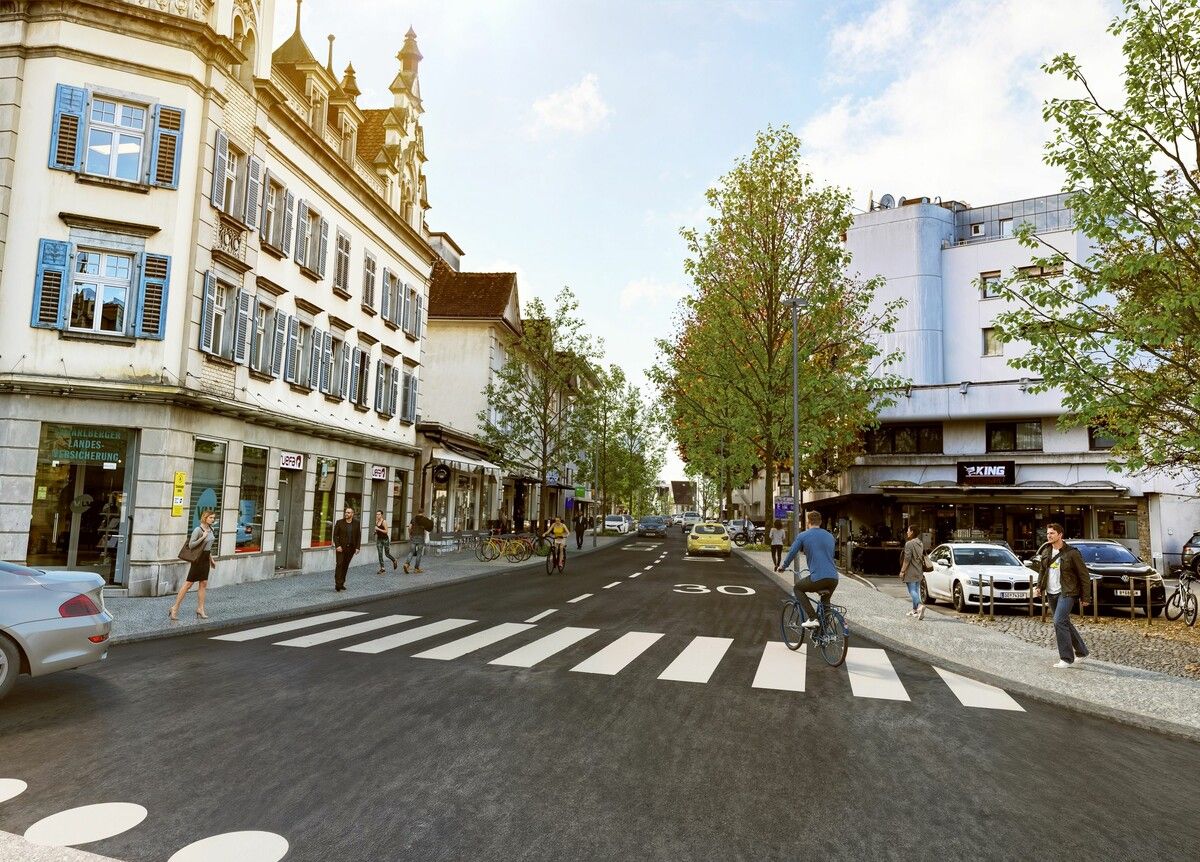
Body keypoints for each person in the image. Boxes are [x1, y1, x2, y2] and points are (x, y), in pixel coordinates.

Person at [1032, 522, 1091, 669]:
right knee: (1064, 622)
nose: (1049, 536)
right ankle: (1082, 652)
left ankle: (1066, 658)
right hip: (1051, 592)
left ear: (1060, 535)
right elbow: (1042, 570)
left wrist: (1086, 597)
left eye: (1052, 533)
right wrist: (1040, 586)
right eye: (1047, 533)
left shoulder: (1072, 553)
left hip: (1067, 592)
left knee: (1059, 621)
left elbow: (1084, 576)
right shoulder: (1046, 551)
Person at [775, 510, 838, 627]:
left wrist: (783, 566)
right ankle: (825, 631)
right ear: (820, 522)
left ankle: (813, 618)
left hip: (818, 577)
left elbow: (792, 552)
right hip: (834, 578)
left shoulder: (803, 535)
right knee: (825, 602)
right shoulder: (830, 536)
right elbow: (830, 555)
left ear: (808, 522)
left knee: (798, 588)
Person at [171, 509, 216, 620]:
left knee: (203, 583)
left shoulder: (211, 529)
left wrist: (211, 559)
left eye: (214, 518)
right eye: (211, 517)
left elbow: (207, 548)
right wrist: (203, 537)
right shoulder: (198, 530)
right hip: (198, 559)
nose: (213, 519)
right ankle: (175, 608)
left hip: (206, 558)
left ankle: (200, 609)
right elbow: (191, 545)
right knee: (188, 584)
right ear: (205, 517)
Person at [899, 525, 926, 619]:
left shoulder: (909, 544)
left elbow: (907, 559)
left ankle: (919, 606)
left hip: (910, 571)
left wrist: (902, 571)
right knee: (916, 590)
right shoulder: (920, 543)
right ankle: (915, 611)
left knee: (912, 591)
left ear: (912, 532)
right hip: (919, 570)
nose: (907, 532)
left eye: (908, 530)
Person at [332, 506, 361, 591]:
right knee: (339, 564)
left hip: (351, 548)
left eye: (348, 512)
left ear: (352, 514)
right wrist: (337, 546)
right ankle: (337, 584)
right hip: (341, 548)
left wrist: (357, 547)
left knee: (345, 566)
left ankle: (341, 583)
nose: (346, 514)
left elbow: (358, 536)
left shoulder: (356, 523)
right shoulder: (339, 522)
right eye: (346, 512)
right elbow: (335, 535)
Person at [405, 509, 433, 574]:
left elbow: (409, 527)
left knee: (411, 552)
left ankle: (406, 564)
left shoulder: (413, 519)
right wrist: (425, 536)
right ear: (423, 512)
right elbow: (426, 529)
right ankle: (416, 568)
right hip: (420, 537)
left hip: (413, 537)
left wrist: (410, 534)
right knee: (419, 553)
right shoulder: (424, 520)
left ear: (418, 512)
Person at [374, 510, 397, 575]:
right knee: (380, 554)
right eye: (377, 514)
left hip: (385, 540)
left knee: (387, 554)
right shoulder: (377, 521)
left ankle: (394, 560)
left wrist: (378, 529)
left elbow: (386, 531)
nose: (377, 515)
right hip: (379, 540)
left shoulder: (384, 522)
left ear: (381, 515)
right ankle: (383, 569)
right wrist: (375, 532)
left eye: (379, 514)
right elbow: (377, 530)